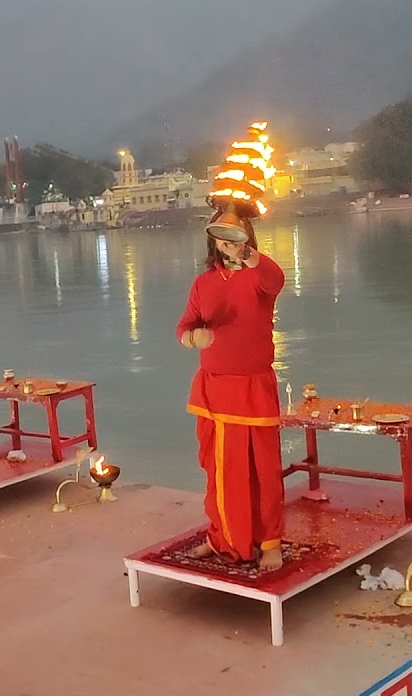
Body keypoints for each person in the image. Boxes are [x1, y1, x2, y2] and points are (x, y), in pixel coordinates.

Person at [176, 203, 287, 570]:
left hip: (253, 388)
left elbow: (276, 279)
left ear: (245, 238)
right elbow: (184, 327)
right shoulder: (202, 283)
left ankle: (269, 542)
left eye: (234, 236)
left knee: (263, 470)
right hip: (213, 389)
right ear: (213, 242)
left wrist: (249, 255)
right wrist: (195, 339)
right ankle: (220, 534)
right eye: (221, 237)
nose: (227, 243)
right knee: (218, 470)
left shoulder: (258, 276)